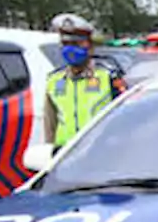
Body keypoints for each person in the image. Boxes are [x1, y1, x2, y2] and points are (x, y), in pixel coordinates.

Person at [44, 13, 127, 149]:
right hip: (64, 155)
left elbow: (125, 120)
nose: (70, 48)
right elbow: (50, 125)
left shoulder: (108, 76)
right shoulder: (54, 80)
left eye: (76, 43)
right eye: (66, 44)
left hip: (101, 154)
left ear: (90, 46)